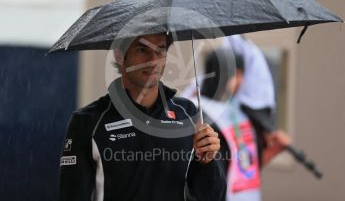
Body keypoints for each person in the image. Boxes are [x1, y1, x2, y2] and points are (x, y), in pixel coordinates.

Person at [58, 33, 226, 201]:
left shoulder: (188, 113)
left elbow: (212, 197)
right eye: (142, 49)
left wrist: (207, 162)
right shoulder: (88, 121)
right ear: (119, 56)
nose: (153, 60)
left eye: (160, 50)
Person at [183, 35, 290, 201]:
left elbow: (243, 169)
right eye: (235, 74)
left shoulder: (237, 113)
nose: (240, 81)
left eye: (241, 74)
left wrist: (271, 151)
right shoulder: (198, 115)